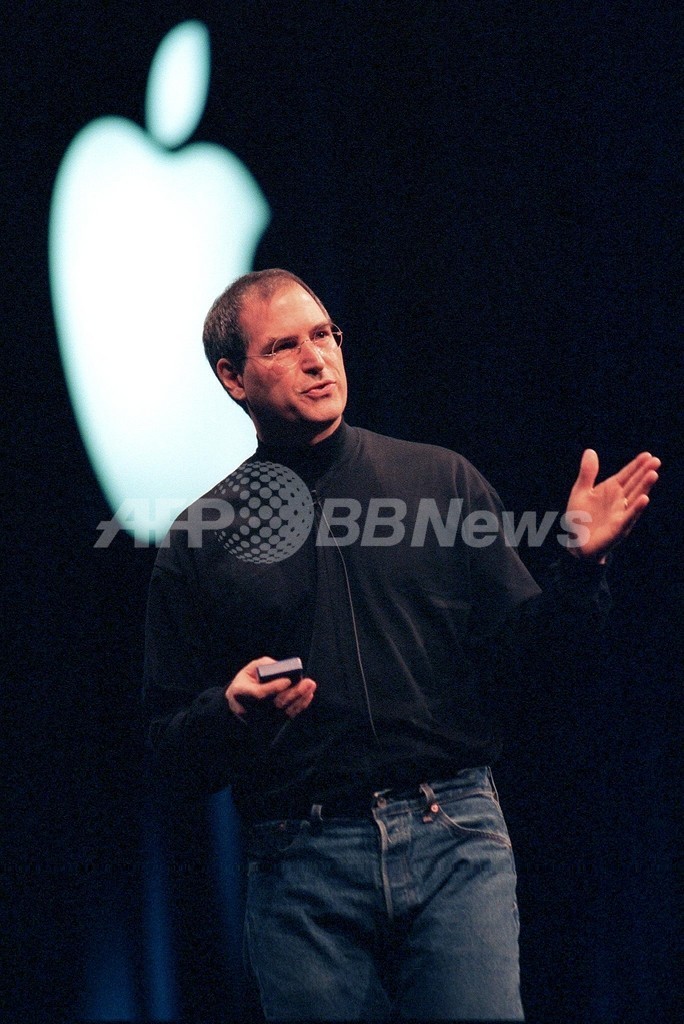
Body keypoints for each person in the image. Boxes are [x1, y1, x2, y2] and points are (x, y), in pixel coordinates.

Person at [143, 268, 660, 1021]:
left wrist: (580, 569)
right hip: (301, 867)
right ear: (233, 378)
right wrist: (230, 713)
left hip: (454, 838)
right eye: (284, 346)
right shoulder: (201, 539)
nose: (317, 359)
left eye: (325, 335)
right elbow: (164, 749)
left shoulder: (439, 482)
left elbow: (541, 666)